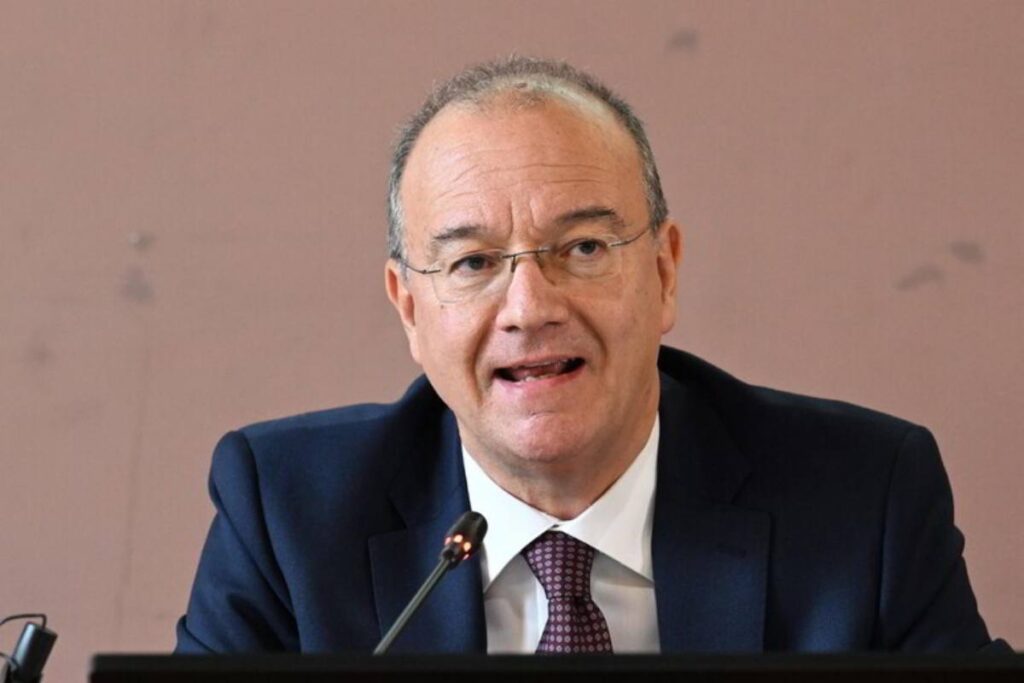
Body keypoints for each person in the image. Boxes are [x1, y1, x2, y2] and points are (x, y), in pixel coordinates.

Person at [175, 57, 1008, 654]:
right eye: (473, 263)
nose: (530, 308)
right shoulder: (288, 513)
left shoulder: (865, 497)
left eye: (581, 248)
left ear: (664, 271)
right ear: (410, 307)